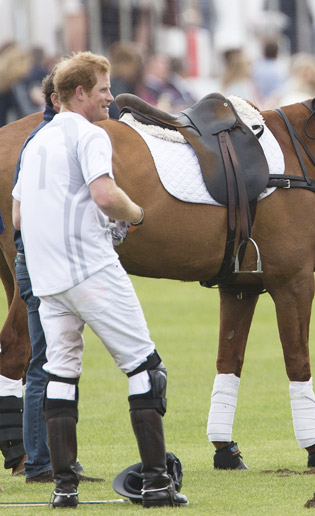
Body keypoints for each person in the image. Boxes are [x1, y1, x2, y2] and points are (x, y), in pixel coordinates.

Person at [11, 51, 188, 508]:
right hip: (90, 269)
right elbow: (105, 195)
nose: (111, 96)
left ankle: (63, 487)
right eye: (104, 89)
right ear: (79, 94)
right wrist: (138, 213)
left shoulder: (35, 141)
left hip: (49, 281)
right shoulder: (89, 135)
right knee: (146, 369)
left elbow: (17, 213)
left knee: (61, 375)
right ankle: (154, 483)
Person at [11, 68, 104, 485]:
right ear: (59, 99)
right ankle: (41, 462)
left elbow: (16, 215)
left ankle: (52, 460)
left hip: (34, 259)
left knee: (50, 359)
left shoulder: (37, 142)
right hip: (49, 262)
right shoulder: (56, 140)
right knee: (48, 361)